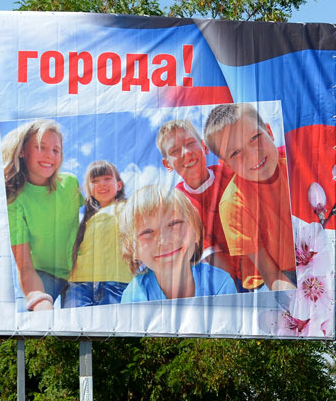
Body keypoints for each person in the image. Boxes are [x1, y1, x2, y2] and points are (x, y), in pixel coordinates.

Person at [204, 102, 296, 291]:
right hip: (274, 276)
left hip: (311, 257)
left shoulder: (298, 163)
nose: (253, 155)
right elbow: (270, 274)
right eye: (235, 153)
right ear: (227, 165)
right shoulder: (233, 203)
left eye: (255, 137)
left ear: (270, 132)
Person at [3, 118, 84, 311]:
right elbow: (25, 267)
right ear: (22, 151)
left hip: (80, 273)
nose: (50, 156)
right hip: (42, 274)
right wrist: (38, 298)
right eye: (41, 147)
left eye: (56, 150)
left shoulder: (70, 183)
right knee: (33, 316)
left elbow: (95, 215)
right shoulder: (14, 201)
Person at [117, 185, 238, 303]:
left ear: (196, 231)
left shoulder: (219, 284)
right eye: (147, 232)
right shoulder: (134, 296)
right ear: (132, 249)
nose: (164, 241)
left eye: (174, 223)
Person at [155, 118, 235, 274]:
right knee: (207, 257)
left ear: (204, 146)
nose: (186, 152)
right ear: (167, 164)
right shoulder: (176, 203)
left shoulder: (231, 172)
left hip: (257, 260)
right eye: (174, 151)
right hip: (222, 275)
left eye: (191, 143)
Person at [65, 160, 132, 307]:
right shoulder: (84, 219)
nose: (102, 184)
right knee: (73, 329)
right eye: (95, 181)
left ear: (119, 185)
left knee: (113, 329)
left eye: (107, 179)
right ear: (88, 189)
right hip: (79, 284)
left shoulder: (129, 208)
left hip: (117, 283)